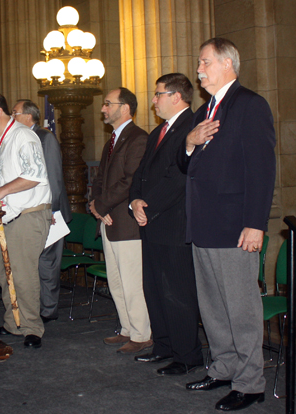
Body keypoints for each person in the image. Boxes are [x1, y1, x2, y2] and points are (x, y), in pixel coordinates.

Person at [180, 38, 275, 411]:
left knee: (241, 309)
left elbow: (262, 171)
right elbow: (187, 166)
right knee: (214, 307)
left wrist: (256, 224)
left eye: (204, 62)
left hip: (235, 226)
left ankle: (250, 383)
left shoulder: (250, 105)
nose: (199, 69)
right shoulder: (206, 110)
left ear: (227, 63)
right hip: (203, 224)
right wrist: (188, 143)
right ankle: (223, 368)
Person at [129, 73, 203, 374]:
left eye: (158, 94)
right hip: (150, 221)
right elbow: (141, 173)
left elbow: (180, 177)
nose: (154, 100)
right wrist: (135, 200)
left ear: (176, 96)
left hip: (173, 223)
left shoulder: (191, 127)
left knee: (177, 294)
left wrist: (149, 206)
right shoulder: (160, 131)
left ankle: (187, 355)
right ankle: (163, 346)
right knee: (155, 289)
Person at [0, 92, 52, 349]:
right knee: (5, 274)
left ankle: (31, 328)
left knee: (22, 274)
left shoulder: (23, 136)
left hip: (28, 214)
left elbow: (34, 176)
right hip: (1, 216)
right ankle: (13, 323)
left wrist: (0, 191)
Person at [89, 87, 152, 354]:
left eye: (107, 104)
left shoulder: (138, 138)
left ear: (124, 107)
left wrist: (102, 204)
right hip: (108, 220)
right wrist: (94, 204)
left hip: (126, 223)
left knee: (131, 281)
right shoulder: (112, 140)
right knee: (115, 281)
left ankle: (142, 334)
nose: (103, 109)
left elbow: (130, 181)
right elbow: (100, 179)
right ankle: (127, 329)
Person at [12, 99, 72, 323]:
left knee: (47, 264)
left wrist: (53, 212)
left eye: (15, 113)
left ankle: (48, 310)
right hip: (29, 213)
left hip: (49, 213)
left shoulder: (45, 137)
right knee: (30, 265)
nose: (12, 118)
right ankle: (32, 309)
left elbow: (54, 177)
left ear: (29, 116)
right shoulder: (19, 139)